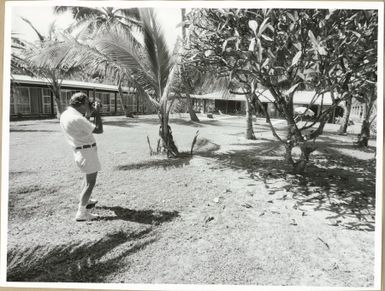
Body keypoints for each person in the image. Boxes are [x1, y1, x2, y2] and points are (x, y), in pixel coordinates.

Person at [60, 92, 103, 221]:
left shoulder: (66, 114)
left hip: (80, 151)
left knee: (87, 179)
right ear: (81, 103)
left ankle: (87, 201)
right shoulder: (77, 118)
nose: (88, 106)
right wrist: (97, 114)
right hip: (87, 152)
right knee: (91, 182)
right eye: (87, 103)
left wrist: (89, 116)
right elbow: (99, 130)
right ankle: (81, 212)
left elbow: (82, 128)